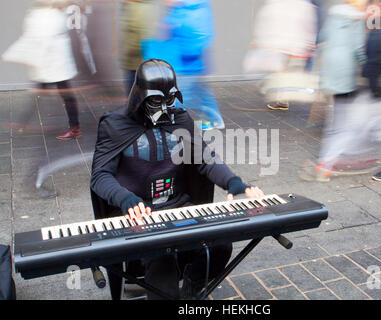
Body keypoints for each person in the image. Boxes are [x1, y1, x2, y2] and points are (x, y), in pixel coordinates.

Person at [90, 59, 264, 300]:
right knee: (161, 261)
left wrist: (234, 182)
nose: (163, 108)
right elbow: (100, 175)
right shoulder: (116, 125)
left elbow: (206, 159)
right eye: (155, 101)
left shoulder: (180, 118)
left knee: (221, 246)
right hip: (141, 213)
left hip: (179, 206)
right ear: (139, 96)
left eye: (169, 100)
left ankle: (191, 288)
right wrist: (126, 199)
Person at [300, 0, 368, 182]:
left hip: (330, 70)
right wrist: (367, 69)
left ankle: (328, 160)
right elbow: (358, 48)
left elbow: (322, 38)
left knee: (337, 119)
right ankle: (326, 164)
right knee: (342, 123)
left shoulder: (334, 14)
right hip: (345, 73)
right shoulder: (357, 19)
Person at [1, 0, 81, 140]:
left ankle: (74, 128)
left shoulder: (52, 15)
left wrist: (11, 54)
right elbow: (34, 38)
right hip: (53, 64)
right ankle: (23, 122)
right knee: (47, 92)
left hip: (56, 64)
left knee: (62, 94)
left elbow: (36, 39)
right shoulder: (50, 13)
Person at [160, 0, 224, 130]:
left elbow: (196, 37)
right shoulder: (190, 8)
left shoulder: (192, 10)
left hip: (188, 62)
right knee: (202, 91)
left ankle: (173, 125)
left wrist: (170, 24)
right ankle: (216, 120)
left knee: (182, 95)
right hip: (192, 61)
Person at [118, 0, 160, 96]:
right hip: (138, 56)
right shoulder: (141, 6)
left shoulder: (137, 8)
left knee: (134, 87)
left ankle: (134, 107)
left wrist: (129, 51)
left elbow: (139, 31)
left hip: (135, 57)